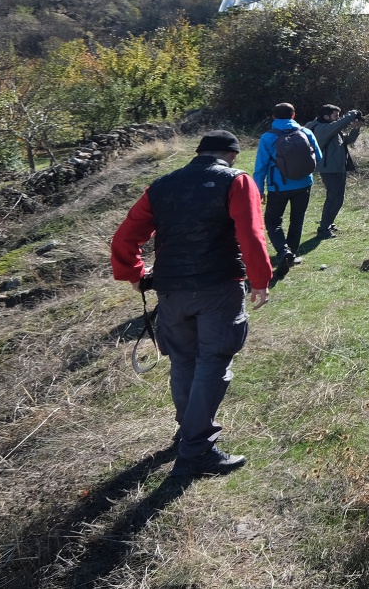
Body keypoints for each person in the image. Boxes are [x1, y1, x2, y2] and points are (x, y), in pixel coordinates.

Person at [110, 130, 272, 479]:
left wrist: (133, 272)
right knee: (213, 361)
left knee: (183, 360)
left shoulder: (161, 186)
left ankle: (188, 430)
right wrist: (260, 279)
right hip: (218, 287)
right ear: (232, 154)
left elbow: (124, 238)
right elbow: (251, 234)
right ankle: (197, 450)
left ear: (198, 153)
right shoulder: (236, 180)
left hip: (171, 290)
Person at [253, 102, 323, 269]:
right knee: (297, 219)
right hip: (304, 183)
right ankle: (291, 253)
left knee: (273, 221)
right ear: (293, 115)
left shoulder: (268, 137)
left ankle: (284, 251)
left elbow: (260, 167)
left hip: (277, 186)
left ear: (273, 117)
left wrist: (258, 190)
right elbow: (319, 157)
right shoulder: (306, 132)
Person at [307, 104, 362, 239]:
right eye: (336, 116)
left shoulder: (330, 128)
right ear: (326, 117)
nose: (338, 118)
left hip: (336, 167)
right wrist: (353, 113)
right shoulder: (321, 128)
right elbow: (341, 123)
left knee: (334, 198)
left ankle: (328, 223)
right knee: (335, 199)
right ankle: (323, 229)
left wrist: (356, 129)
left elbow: (346, 141)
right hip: (330, 169)